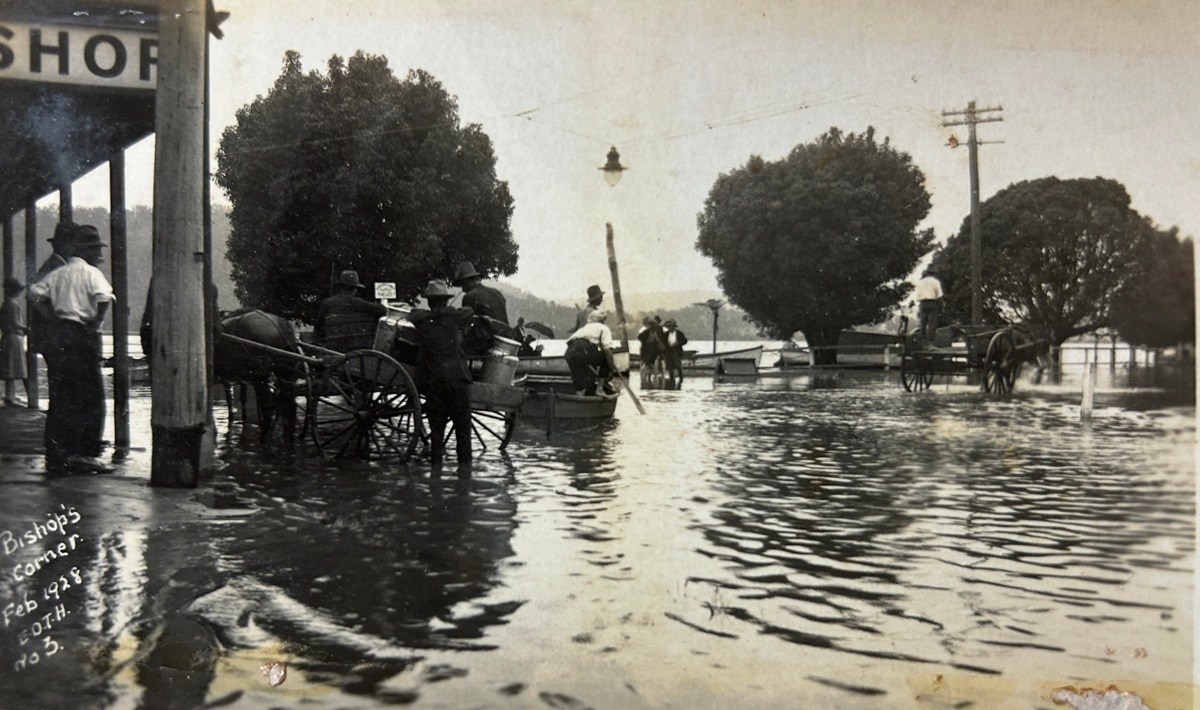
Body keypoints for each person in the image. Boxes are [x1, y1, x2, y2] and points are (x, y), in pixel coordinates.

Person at [28, 223, 115, 474]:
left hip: (61, 336)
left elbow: (33, 294)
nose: (98, 254)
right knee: (91, 397)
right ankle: (85, 454)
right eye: (94, 249)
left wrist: (52, 314)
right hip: (82, 336)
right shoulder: (91, 273)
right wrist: (96, 322)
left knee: (63, 396)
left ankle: (57, 453)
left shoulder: (58, 272)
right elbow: (105, 298)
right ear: (85, 251)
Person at [410, 279, 474, 474]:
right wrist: (448, 311)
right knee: (463, 432)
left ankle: (435, 477)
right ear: (446, 301)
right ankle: (464, 479)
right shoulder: (454, 317)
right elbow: (469, 311)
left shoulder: (421, 320)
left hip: (435, 383)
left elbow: (413, 314)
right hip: (458, 381)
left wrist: (435, 314)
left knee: (437, 434)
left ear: (429, 302)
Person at [313, 270, 387, 352]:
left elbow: (318, 327)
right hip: (359, 349)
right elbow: (383, 310)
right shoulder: (361, 303)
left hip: (334, 349)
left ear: (340, 287)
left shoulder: (327, 303)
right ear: (355, 289)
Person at [565, 308, 617, 396]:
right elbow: (607, 350)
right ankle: (599, 389)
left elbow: (569, 342)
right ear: (602, 320)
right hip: (584, 349)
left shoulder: (583, 328)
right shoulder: (603, 328)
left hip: (569, 352)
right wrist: (611, 369)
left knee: (578, 374)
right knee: (606, 358)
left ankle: (579, 395)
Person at [1, 277, 30, 405]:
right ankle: (19, 398)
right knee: (18, 369)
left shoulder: (5, 304)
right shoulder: (13, 304)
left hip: (7, 338)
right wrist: (27, 328)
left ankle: (10, 396)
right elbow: (15, 323)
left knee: (10, 369)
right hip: (14, 338)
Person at [914, 268, 944, 345]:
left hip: (922, 303)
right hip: (932, 302)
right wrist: (941, 307)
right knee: (932, 323)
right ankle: (930, 342)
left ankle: (922, 341)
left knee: (923, 322)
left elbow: (918, 295)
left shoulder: (920, 282)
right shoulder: (935, 282)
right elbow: (939, 295)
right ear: (934, 274)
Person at [637, 315, 666, 387]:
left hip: (653, 353)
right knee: (645, 365)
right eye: (652, 325)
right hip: (646, 352)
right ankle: (645, 379)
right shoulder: (646, 332)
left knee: (651, 365)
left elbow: (660, 342)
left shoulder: (656, 332)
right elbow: (640, 338)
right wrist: (646, 342)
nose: (653, 326)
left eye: (654, 325)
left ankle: (649, 379)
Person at [661, 318, 689, 389]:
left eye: (671, 327)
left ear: (674, 327)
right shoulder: (665, 334)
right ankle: (671, 379)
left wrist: (678, 343)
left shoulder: (679, 333)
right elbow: (662, 342)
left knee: (677, 365)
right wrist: (665, 346)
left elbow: (685, 341)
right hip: (668, 352)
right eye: (669, 327)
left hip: (676, 351)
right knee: (669, 366)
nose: (670, 328)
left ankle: (680, 379)